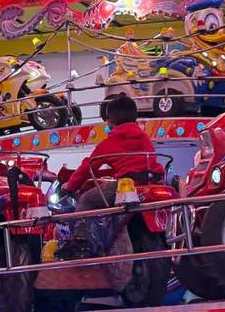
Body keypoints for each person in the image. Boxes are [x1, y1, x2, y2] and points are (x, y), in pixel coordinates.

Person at [57, 94, 164, 263]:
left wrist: (69, 186)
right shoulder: (143, 137)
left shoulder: (111, 141)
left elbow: (87, 167)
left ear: (109, 121)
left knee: (87, 200)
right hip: (153, 181)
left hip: (128, 185)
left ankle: (80, 241)